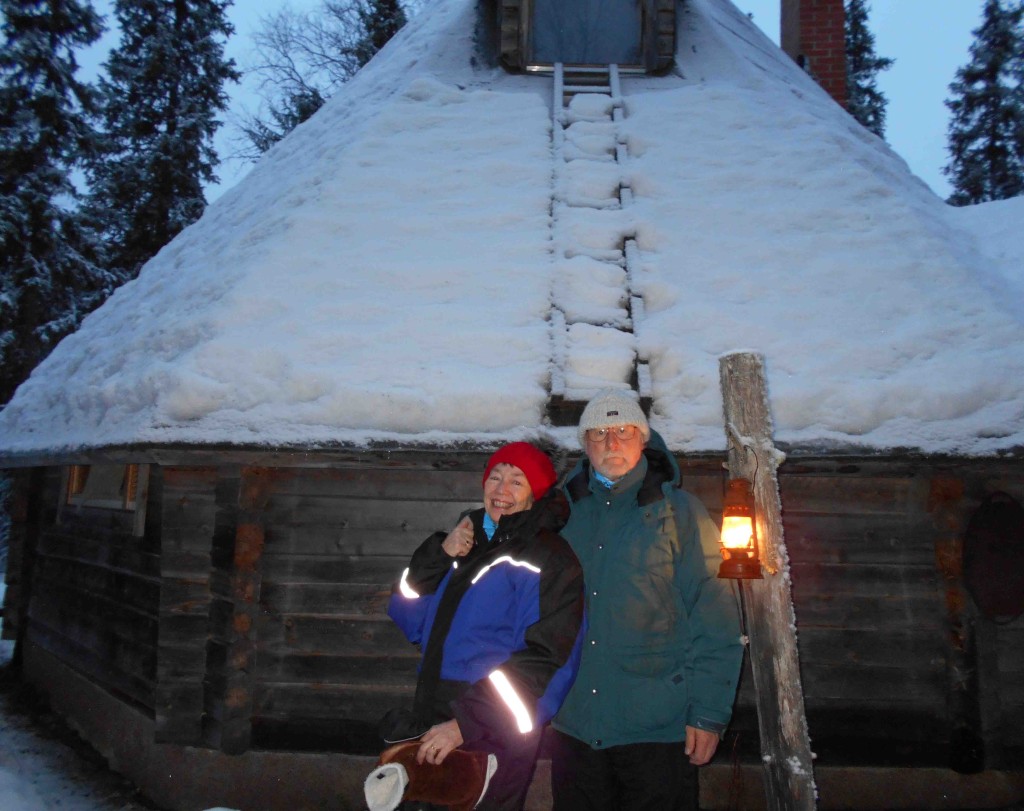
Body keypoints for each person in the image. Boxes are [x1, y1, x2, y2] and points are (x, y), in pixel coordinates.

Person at [550, 389, 744, 811]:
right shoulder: (562, 515)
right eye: (600, 433)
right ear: (586, 445)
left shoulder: (681, 515)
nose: (611, 443)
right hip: (575, 721)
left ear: (643, 438)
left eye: (623, 431)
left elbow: (716, 619)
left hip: (657, 726)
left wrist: (708, 713)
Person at [387, 441, 585, 811]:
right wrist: (437, 557)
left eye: (516, 481)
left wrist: (466, 723)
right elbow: (409, 618)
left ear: (536, 493)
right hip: (433, 709)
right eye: (495, 477)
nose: (501, 490)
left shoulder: (550, 559)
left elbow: (547, 659)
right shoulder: (466, 543)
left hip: (492, 726)